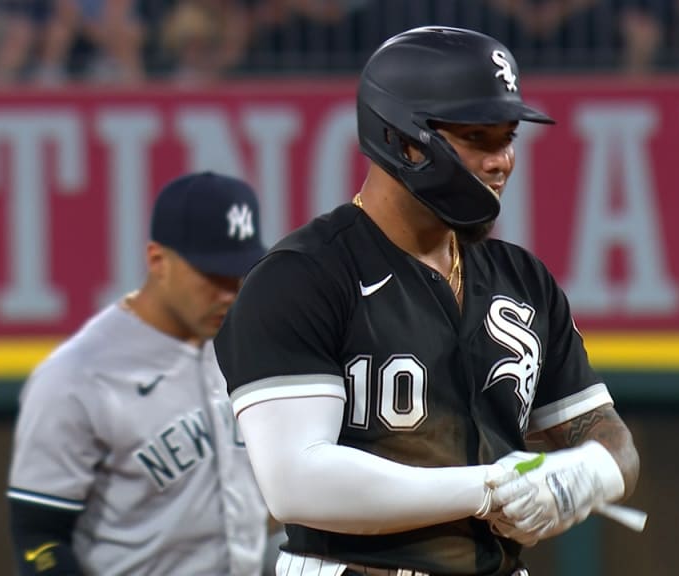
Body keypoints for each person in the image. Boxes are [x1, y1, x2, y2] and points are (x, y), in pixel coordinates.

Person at [214, 25, 641, 576]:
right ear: (402, 139)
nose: (502, 161)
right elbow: (297, 485)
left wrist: (584, 475)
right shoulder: (302, 276)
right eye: (478, 138)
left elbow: (609, 438)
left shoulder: (523, 278)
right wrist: (486, 487)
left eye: (508, 137)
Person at [7, 171, 271, 575]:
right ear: (157, 261)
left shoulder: (247, 344)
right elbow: (38, 537)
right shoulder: (76, 376)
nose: (228, 293)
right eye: (212, 276)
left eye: (238, 275)